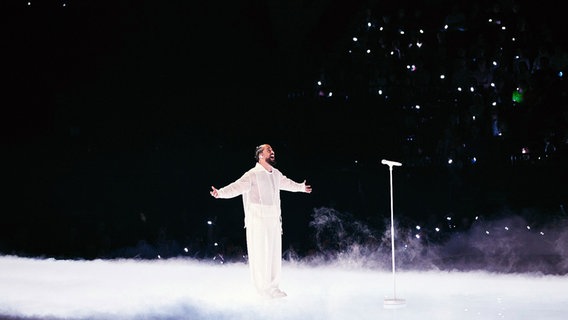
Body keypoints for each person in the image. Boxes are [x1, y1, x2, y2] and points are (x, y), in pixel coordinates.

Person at [210, 144, 312, 298]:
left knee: (273, 255)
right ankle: (263, 289)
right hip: (258, 220)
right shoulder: (252, 174)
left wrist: (301, 187)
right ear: (260, 155)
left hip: (274, 220)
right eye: (269, 150)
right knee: (261, 255)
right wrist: (221, 193)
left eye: (272, 150)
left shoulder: (276, 174)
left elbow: (287, 183)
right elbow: (236, 187)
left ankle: (274, 287)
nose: (272, 152)